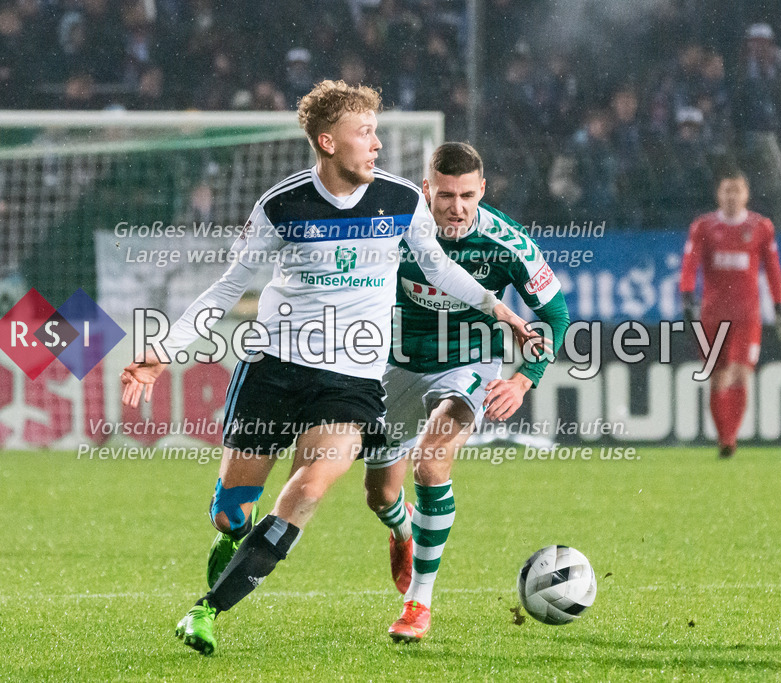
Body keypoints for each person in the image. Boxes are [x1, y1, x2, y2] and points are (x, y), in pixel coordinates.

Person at [119, 81, 537, 656]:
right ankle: (235, 535)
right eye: (364, 133)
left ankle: (206, 610)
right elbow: (225, 290)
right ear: (327, 141)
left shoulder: (400, 201)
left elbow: (438, 269)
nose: (378, 145)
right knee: (229, 514)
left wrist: (499, 309)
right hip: (274, 367)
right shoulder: (280, 206)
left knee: (309, 489)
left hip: (351, 382)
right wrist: (163, 351)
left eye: (376, 132)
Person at [363, 142, 571, 642]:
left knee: (431, 461)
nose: (456, 208)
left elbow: (556, 315)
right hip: (399, 364)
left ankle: (419, 603)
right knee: (379, 495)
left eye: (467, 196)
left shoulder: (507, 242)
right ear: (426, 189)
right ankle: (403, 528)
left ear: (482, 190)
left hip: (468, 365)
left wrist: (525, 378)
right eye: (445, 196)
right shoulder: (395, 225)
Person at [679, 171, 781, 458]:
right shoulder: (703, 226)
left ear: (746, 194)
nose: (731, 196)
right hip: (713, 315)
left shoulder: (761, 227)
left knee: (741, 374)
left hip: (747, 316)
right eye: (727, 191)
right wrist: (687, 293)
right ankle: (724, 436)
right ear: (718, 194)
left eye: (737, 190)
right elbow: (690, 262)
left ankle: (729, 439)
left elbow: (773, 267)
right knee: (717, 377)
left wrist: (778, 304)